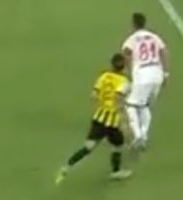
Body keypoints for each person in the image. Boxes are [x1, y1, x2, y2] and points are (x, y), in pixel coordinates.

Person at [56, 53, 132, 184]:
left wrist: (101, 107)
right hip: (113, 121)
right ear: (124, 66)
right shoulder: (125, 82)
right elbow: (118, 99)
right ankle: (116, 171)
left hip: (99, 116)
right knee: (118, 145)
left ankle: (67, 166)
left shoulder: (103, 76)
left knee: (88, 147)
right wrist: (124, 121)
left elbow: (93, 96)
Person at [120, 13, 168, 149]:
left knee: (131, 105)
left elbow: (126, 53)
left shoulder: (132, 39)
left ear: (133, 24)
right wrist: (166, 74)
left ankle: (138, 135)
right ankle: (144, 135)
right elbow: (164, 51)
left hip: (142, 75)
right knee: (145, 105)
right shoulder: (154, 36)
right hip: (157, 74)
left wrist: (129, 71)